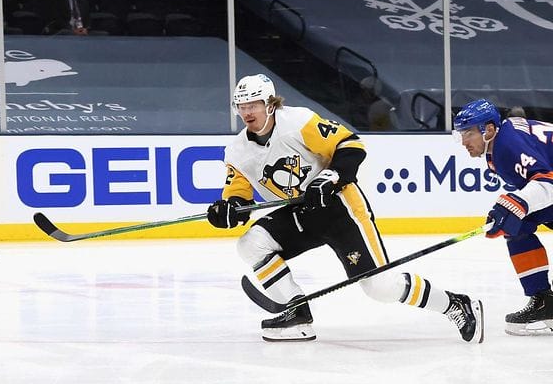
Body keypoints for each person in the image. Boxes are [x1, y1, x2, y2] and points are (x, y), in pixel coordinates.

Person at [207, 74, 483, 343]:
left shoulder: (297, 122)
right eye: (242, 106)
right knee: (250, 244)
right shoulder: (237, 151)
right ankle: (296, 313)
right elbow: (238, 196)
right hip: (299, 214)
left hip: (340, 209)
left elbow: (351, 145)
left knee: (380, 287)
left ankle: (455, 304)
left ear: (269, 104)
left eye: (253, 105)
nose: (247, 112)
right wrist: (229, 210)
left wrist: (331, 177)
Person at [454, 99, 553, 335]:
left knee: (515, 220)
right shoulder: (501, 141)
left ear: (489, 130)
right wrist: (512, 209)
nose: (464, 142)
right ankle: (544, 302)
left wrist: (515, 204)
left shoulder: (507, 146)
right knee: (515, 224)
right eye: (461, 135)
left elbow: (548, 182)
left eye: (469, 133)